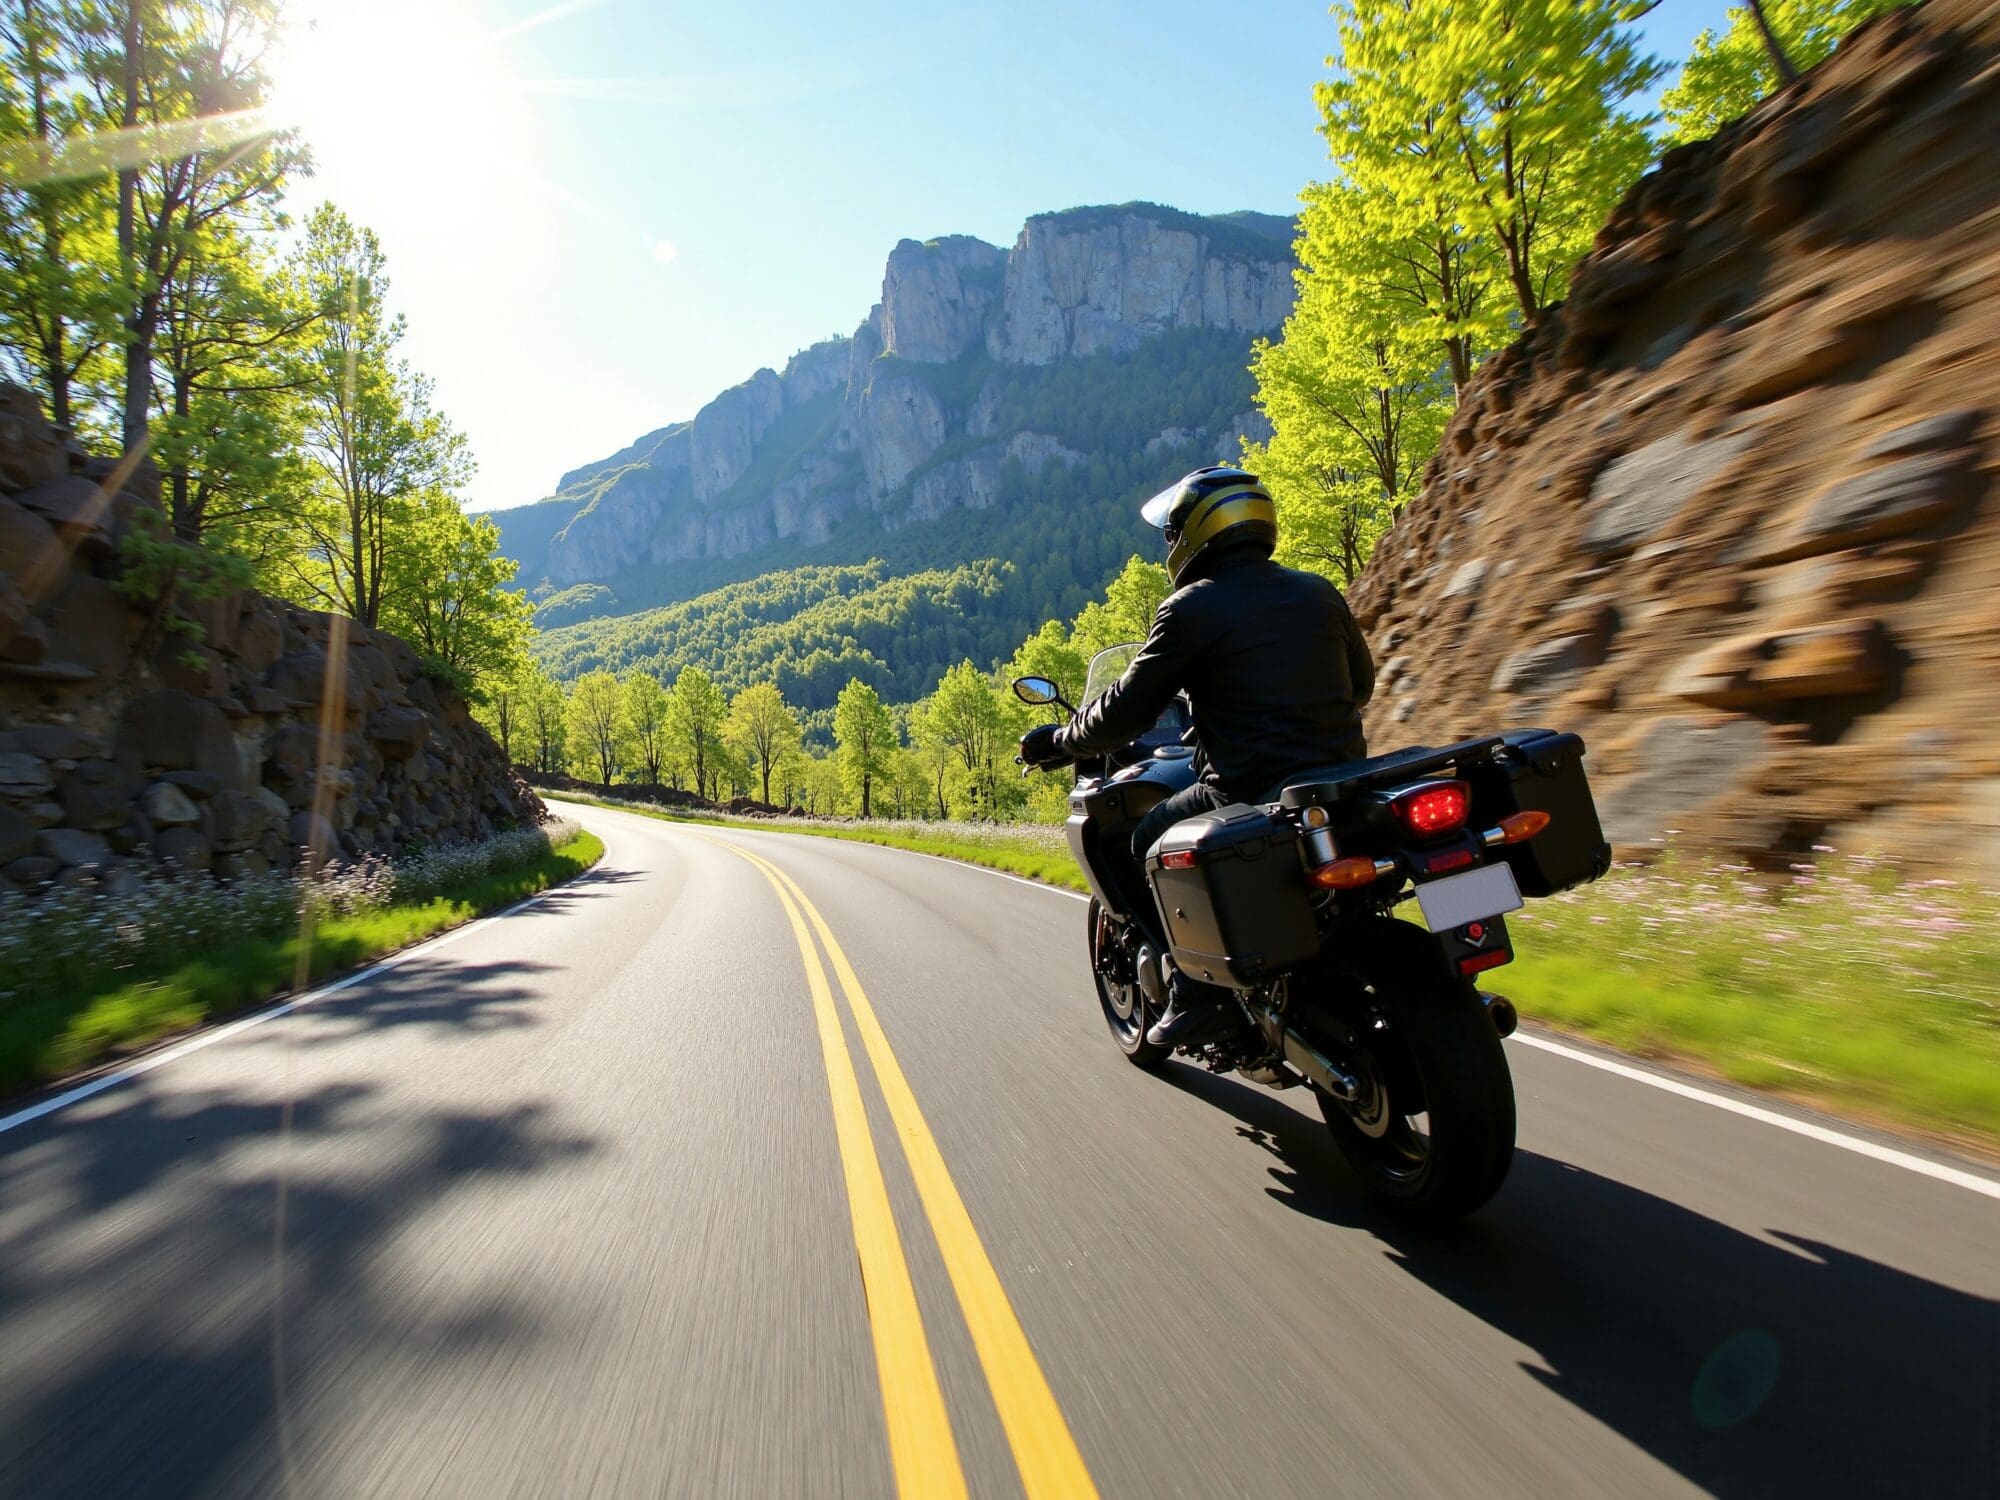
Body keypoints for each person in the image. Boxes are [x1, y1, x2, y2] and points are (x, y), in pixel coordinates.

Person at [1019, 465, 1376, 1047]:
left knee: (1143, 841)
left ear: (1190, 536)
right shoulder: (1318, 592)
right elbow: (1359, 687)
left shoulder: (1190, 609)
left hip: (1246, 787)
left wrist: (1059, 740)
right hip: (1342, 784)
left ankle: (1195, 987)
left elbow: (1124, 712)